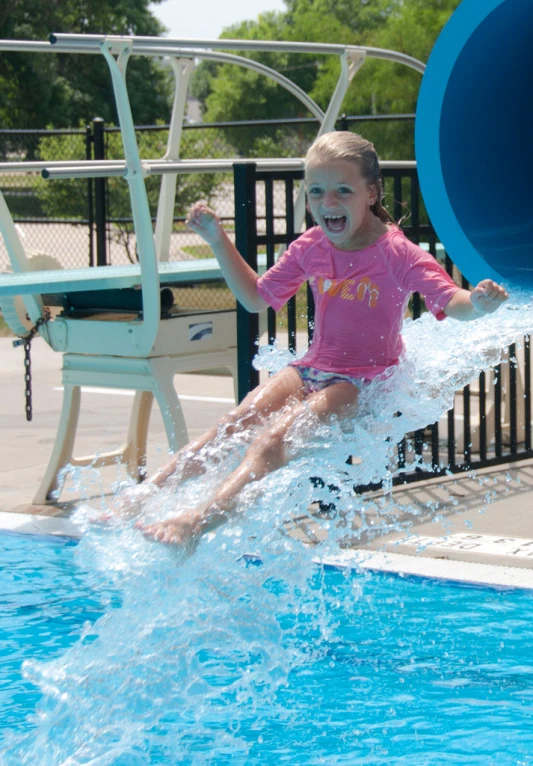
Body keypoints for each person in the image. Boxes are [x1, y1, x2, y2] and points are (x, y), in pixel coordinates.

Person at [128, 131, 508, 545]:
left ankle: (198, 520)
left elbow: (452, 300)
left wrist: (480, 303)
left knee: (274, 437)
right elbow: (256, 298)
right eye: (316, 192)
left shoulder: (397, 253)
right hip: (312, 367)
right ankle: (141, 498)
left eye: (343, 190)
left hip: (361, 380)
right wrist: (218, 241)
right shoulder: (312, 246)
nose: (328, 204)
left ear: (371, 192)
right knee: (232, 424)